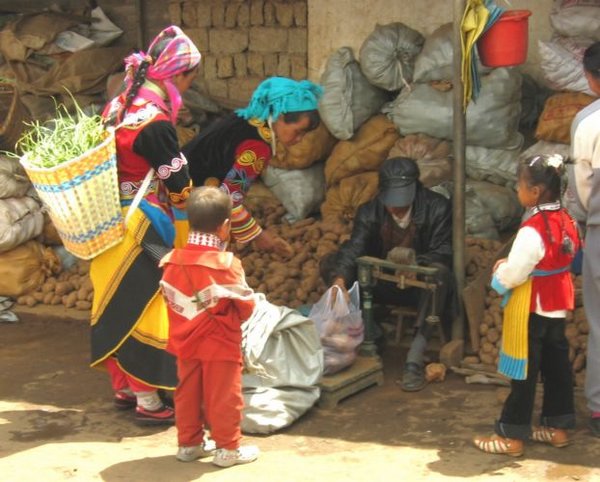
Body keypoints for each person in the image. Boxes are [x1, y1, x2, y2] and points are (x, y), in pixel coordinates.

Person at [89, 25, 200, 425]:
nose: (189, 87)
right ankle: (148, 401)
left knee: (114, 302)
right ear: (176, 75)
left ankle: (123, 387)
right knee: (144, 305)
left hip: (105, 221)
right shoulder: (154, 123)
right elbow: (178, 182)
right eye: (190, 77)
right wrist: (199, 225)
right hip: (140, 226)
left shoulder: (116, 106)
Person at [474, 154, 581, 456]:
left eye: (519, 185)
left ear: (534, 192)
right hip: (557, 303)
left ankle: (512, 435)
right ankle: (558, 428)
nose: (517, 190)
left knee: (524, 372)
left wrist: (499, 272)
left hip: (531, 307)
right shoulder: (568, 220)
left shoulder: (532, 229)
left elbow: (514, 274)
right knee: (557, 368)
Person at [319, 157, 453, 392]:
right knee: (332, 263)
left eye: (401, 201)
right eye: (391, 201)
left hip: (419, 287)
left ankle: (414, 356)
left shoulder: (438, 207)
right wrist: (339, 281)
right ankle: (371, 332)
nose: (395, 208)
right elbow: (355, 248)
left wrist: (415, 263)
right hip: (382, 282)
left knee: (440, 274)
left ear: (416, 189)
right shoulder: (370, 211)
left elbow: (443, 251)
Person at [159, 186, 259, 467]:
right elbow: (245, 307)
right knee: (224, 396)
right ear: (225, 227)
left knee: (187, 392)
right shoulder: (227, 265)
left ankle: (188, 444)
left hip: (184, 341)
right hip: (220, 342)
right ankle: (228, 449)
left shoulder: (171, 262)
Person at [181, 76, 322, 256]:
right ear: (279, 116)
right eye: (298, 131)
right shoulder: (258, 146)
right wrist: (259, 237)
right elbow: (228, 200)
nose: (299, 139)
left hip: (174, 185)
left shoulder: (243, 118)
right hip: (182, 202)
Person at [570, 40, 600, 438]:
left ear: (592, 79)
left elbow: (580, 187)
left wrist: (579, 220)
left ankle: (598, 408)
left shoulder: (588, 122)